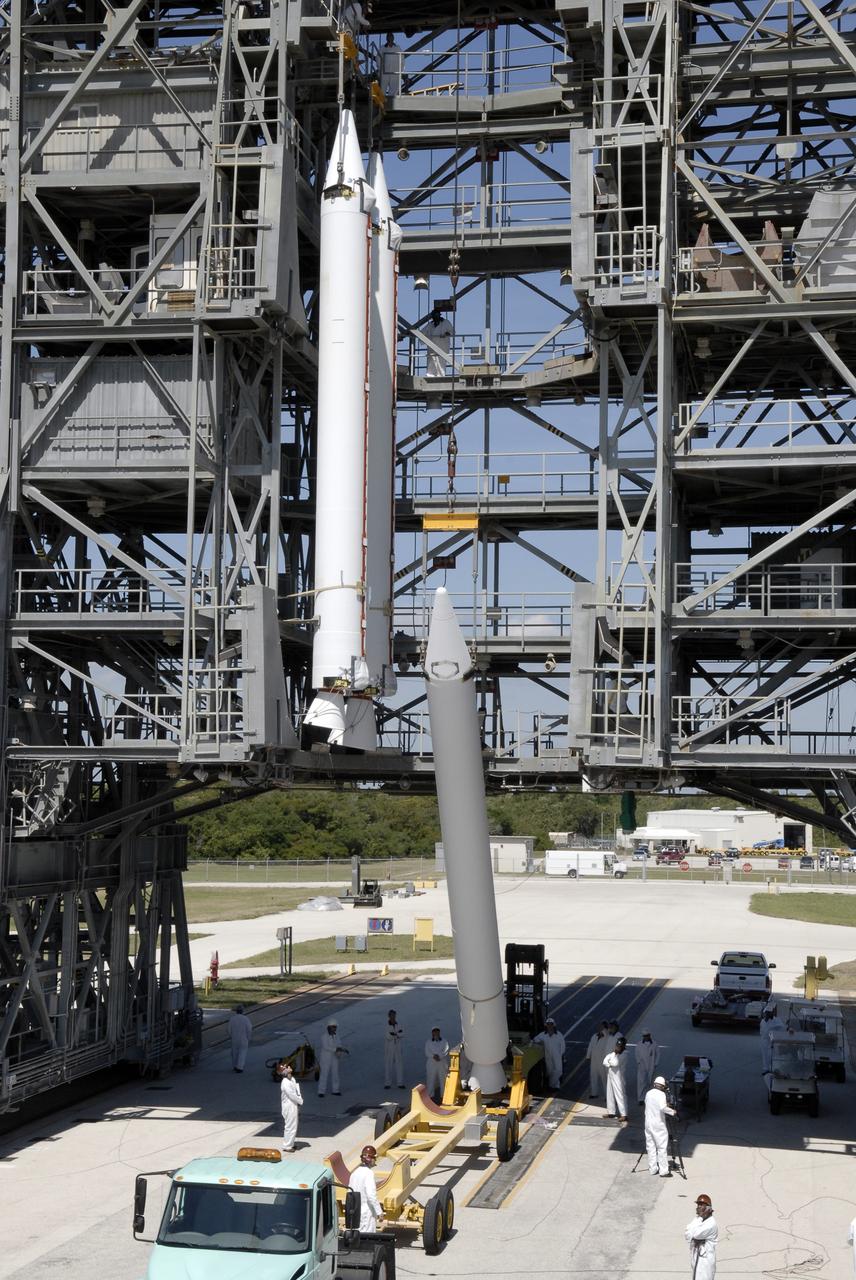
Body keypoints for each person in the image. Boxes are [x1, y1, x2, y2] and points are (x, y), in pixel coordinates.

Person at [644, 1075, 676, 1177]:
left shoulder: (648, 1093)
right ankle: (664, 1170)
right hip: (658, 1124)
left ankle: (653, 1168)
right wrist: (672, 1111)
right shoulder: (661, 1095)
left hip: (648, 1123)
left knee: (651, 1146)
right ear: (662, 1086)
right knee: (661, 1147)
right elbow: (662, 1107)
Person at [350, 1145, 383, 1232]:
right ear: (371, 1159)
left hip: (355, 1213)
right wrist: (379, 1212)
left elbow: (349, 1192)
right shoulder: (369, 1173)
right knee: (367, 1239)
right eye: (374, 1159)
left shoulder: (354, 1173)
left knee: (357, 1237)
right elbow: (371, 1195)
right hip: (366, 1214)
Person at [685, 1194, 718, 1279]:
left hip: (705, 1261)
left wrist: (698, 1221)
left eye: (701, 1205)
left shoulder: (711, 1223)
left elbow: (696, 1234)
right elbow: (687, 1234)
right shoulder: (698, 1219)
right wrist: (698, 1220)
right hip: (696, 1258)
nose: (698, 1207)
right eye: (698, 1205)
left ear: (708, 1208)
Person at [534, 1017, 565, 1090]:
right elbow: (535, 1039)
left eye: (551, 1024)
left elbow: (563, 1045)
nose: (550, 1026)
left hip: (557, 1055)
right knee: (550, 1071)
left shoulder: (559, 1035)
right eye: (548, 1024)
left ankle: (551, 1085)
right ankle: (555, 1086)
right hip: (547, 1055)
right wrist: (539, 1042)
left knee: (558, 1070)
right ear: (546, 1025)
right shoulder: (543, 1035)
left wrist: (560, 1054)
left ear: (554, 1025)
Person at [318, 1020, 348, 1096]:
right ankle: (321, 1091)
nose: (335, 1028)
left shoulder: (336, 1035)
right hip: (326, 1058)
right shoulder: (324, 1037)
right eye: (333, 1027)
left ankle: (335, 1090)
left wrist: (340, 1049)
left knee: (335, 1074)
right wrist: (336, 1049)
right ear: (329, 1027)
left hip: (334, 1057)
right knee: (324, 1074)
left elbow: (339, 1043)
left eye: (335, 1027)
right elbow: (326, 1047)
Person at [421, 308, 453, 376]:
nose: (435, 317)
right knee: (431, 361)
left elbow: (452, 332)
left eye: (436, 315)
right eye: (434, 316)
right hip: (432, 346)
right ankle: (430, 375)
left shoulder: (445, 322)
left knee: (441, 361)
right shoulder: (430, 324)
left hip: (442, 346)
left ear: (439, 315)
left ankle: (441, 375)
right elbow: (422, 332)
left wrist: (446, 334)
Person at [603, 1035, 629, 1121]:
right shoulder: (614, 1053)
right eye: (617, 1046)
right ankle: (611, 1112)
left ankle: (624, 1114)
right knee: (609, 1093)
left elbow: (615, 1063)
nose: (617, 1048)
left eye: (619, 1046)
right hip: (611, 1075)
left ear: (623, 1046)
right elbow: (605, 1061)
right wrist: (611, 1058)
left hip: (618, 1077)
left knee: (620, 1095)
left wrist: (610, 1060)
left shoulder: (624, 1054)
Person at [280, 1062, 303, 1152]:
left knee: (294, 1126)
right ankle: (287, 1146)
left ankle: (291, 1143)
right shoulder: (285, 1082)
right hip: (289, 1106)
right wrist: (300, 1101)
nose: (289, 1067)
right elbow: (291, 1095)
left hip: (294, 1104)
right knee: (290, 1126)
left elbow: (296, 1091)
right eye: (287, 1067)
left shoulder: (292, 1079)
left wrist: (299, 1100)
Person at [425, 1026, 449, 1100]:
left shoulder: (444, 1041)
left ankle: (444, 1096)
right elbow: (426, 1052)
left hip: (442, 1063)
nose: (436, 1033)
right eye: (434, 1032)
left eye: (437, 1031)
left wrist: (440, 1056)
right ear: (432, 1033)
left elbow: (446, 1050)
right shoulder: (428, 1042)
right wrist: (433, 1056)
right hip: (432, 1063)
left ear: (439, 1032)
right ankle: (430, 1096)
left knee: (443, 1079)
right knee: (431, 1079)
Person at [636, 1030, 660, 1103]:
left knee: (651, 1082)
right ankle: (641, 1099)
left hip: (651, 1065)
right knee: (641, 1082)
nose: (646, 1037)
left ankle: (651, 1099)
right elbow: (636, 1053)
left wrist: (656, 1063)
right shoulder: (639, 1044)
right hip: (642, 1065)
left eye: (647, 1035)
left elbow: (658, 1054)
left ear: (650, 1035)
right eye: (644, 1036)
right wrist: (639, 1062)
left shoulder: (654, 1044)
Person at [586, 1021, 609, 1097]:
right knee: (593, 1076)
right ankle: (594, 1093)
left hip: (602, 1060)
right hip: (594, 1060)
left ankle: (607, 1095)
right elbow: (590, 1046)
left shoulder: (607, 1037)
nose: (600, 1028)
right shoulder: (594, 1036)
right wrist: (588, 1056)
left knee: (604, 1078)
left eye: (602, 1026)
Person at [384, 1009, 405, 1089]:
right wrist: (397, 1034)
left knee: (399, 1064)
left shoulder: (398, 1024)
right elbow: (388, 1036)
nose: (393, 1017)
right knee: (388, 1065)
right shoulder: (386, 1025)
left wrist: (395, 1034)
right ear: (389, 1016)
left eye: (394, 1015)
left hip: (397, 1047)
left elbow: (402, 1033)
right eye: (392, 1015)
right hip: (389, 1048)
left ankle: (400, 1082)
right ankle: (387, 1083)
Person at [229, 1005, 253, 1072]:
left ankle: (235, 1065)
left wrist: (231, 1036)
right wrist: (248, 1037)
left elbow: (229, 1029)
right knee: (242, 1053)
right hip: (244, 1038)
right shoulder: (246, 1019)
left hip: (234, 1038)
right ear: (242, 1011)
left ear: (236, 1011)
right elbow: (249, 1029)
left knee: (234, 1053)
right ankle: (239, 1067)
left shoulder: (232, 1019)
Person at [380, 32, 404, 98]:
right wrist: (380, 68)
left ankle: (391, 100)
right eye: (388, 36)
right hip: (385, 70)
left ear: (393, 38)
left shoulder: (397, 48)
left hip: (395, 70)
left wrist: (400, 70)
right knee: (383, 87)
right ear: (386, 38)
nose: (390, 38)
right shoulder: (383, 48)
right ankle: (382, 98)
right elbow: (378, 58)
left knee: (394, 87)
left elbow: (402, 59)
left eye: (391, 36)